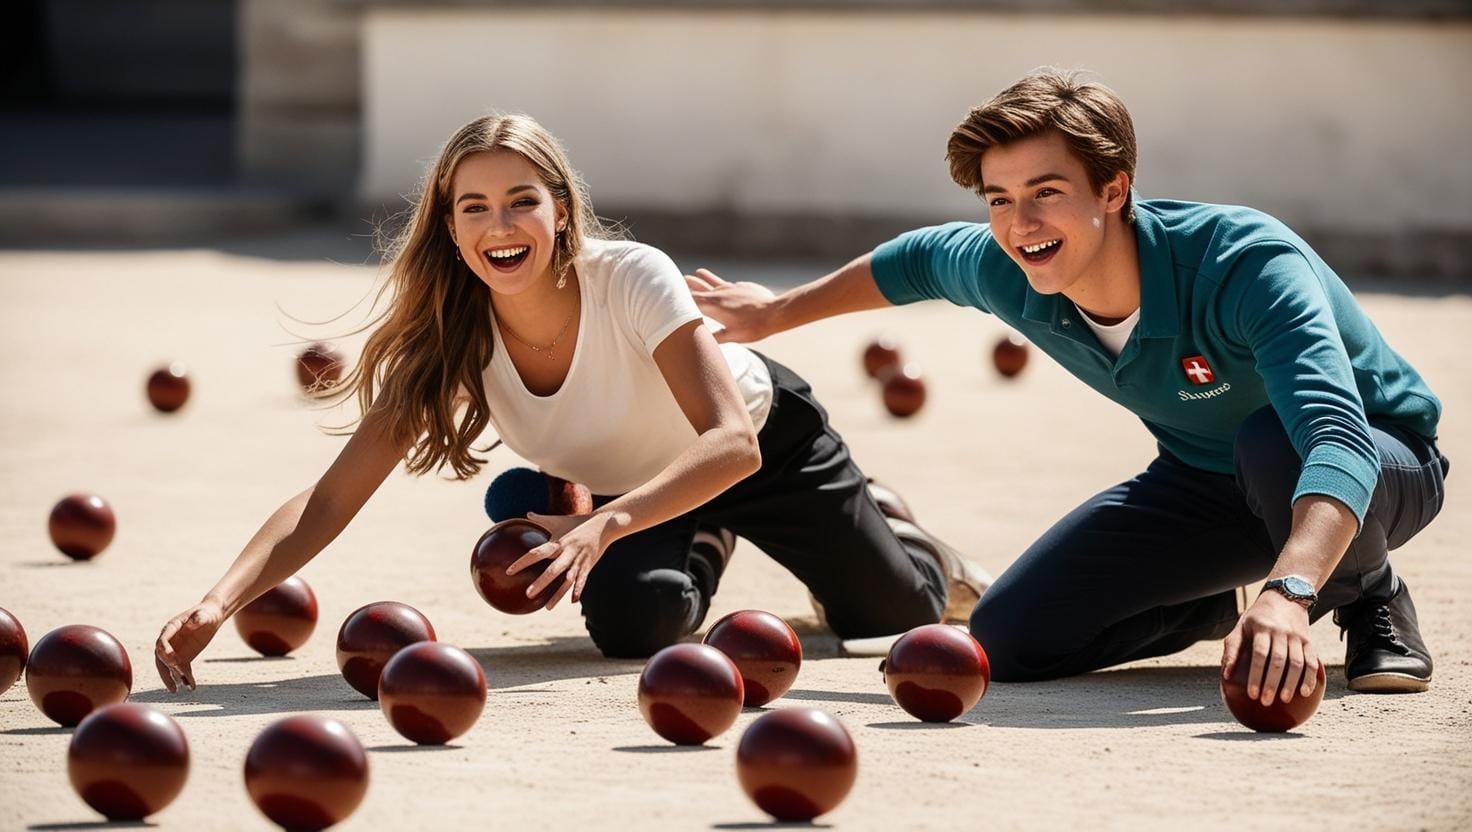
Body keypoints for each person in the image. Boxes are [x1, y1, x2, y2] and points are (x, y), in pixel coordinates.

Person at [688, 69, 1448, 705]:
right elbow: (913, 260)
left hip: (1376, 466)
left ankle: (1370, 596)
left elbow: (1333, 434)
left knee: (1272, 437)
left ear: (1113, 190)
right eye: (998, 198)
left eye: (1046, 192)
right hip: (1206, 486)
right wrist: (777, 311)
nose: (1021, 223)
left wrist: (1293, 590)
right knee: (1009, 641)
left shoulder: (1244, 264)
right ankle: (1221, 600)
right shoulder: (1005, 263)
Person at [153, 114, 988, 691]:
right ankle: (702, 531)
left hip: (765, 445)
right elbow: (334, 495)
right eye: (473, 206)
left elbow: (731, 442)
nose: (500, 223)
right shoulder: (453, 335)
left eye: (522, 199)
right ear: (450, 229)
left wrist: (604, 523)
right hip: (638, 490)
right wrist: (216, 602)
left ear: (561, 208)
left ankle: (903, 540)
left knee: (892, 620)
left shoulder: (630, 276)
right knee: (636, 624)